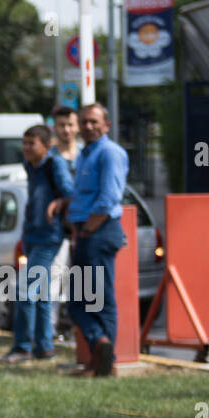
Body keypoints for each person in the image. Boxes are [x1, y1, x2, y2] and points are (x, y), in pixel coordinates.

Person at [66, 102, 129, 377]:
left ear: (107, 125)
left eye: (94, 122)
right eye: (85, 122)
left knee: (100, 299)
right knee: (78, 299)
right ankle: (100, 346)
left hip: (100, 232)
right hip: (87, 233)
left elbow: (108, 198)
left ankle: (107, 361)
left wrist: (88, 230)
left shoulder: (111, 153)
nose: (88, 126)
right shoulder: (85, 154)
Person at [3, 124, 74, 363]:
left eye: (31, 143)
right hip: (32, 236)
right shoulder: (30, 166)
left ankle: (22, 348)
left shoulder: (55, 164)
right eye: (24, 142)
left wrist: (58, 204)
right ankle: (44, 347)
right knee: (41, 294)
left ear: (47, 146)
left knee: (24, 290)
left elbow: (71, 193)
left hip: (48, 237)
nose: (25, 148)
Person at [51, 105, 82, 173]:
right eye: (62, 125)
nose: (66, 130)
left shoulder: (86, 152)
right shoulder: (48, 157)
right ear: (54, 127)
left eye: (70, 125)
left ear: (78, 127)